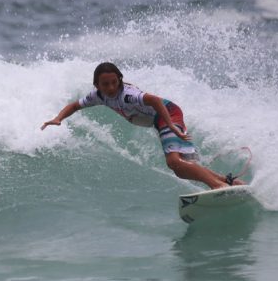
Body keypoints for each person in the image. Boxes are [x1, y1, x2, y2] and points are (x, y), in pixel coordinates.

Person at [41, 62, 245, 189]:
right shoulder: (98, 96)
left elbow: (155, 100)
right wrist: (59, 118)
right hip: (160, 120)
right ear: (97, 85)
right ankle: (228, 182)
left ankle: (216, 186)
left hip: (167, 114)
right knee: (180, 168)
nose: (111, 87)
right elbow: (75, 105)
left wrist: (172, 126)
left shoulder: (128, 95)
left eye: (114, 82)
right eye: (105, 84)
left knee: (174, 161)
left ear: (119, 80)